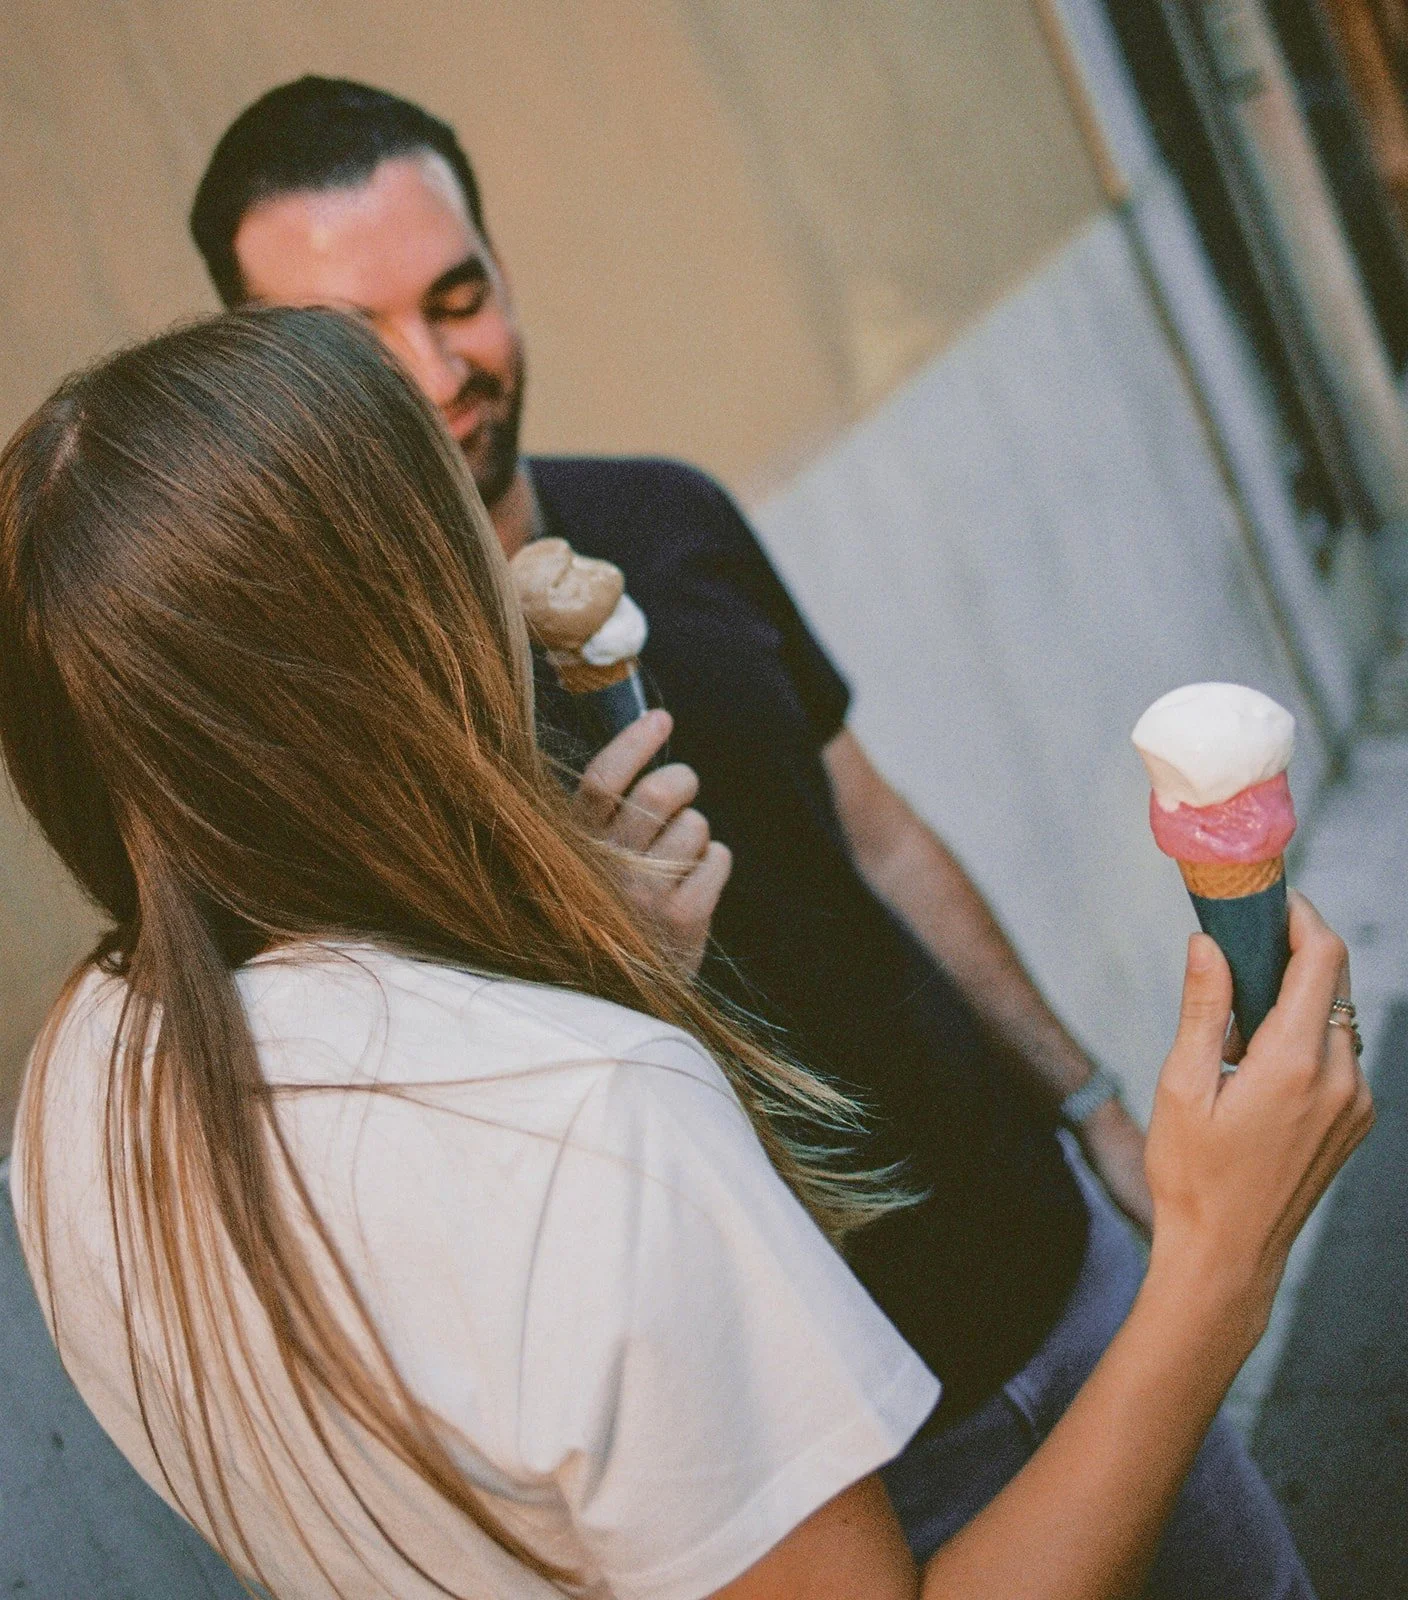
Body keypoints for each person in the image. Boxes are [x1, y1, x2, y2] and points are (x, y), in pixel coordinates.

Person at [0, 307, 1371, 1600]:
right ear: (406, 657)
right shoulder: (593, 1124)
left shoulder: (72, 1094)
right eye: (452, 544)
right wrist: (1218, 1256)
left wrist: (575, 970)